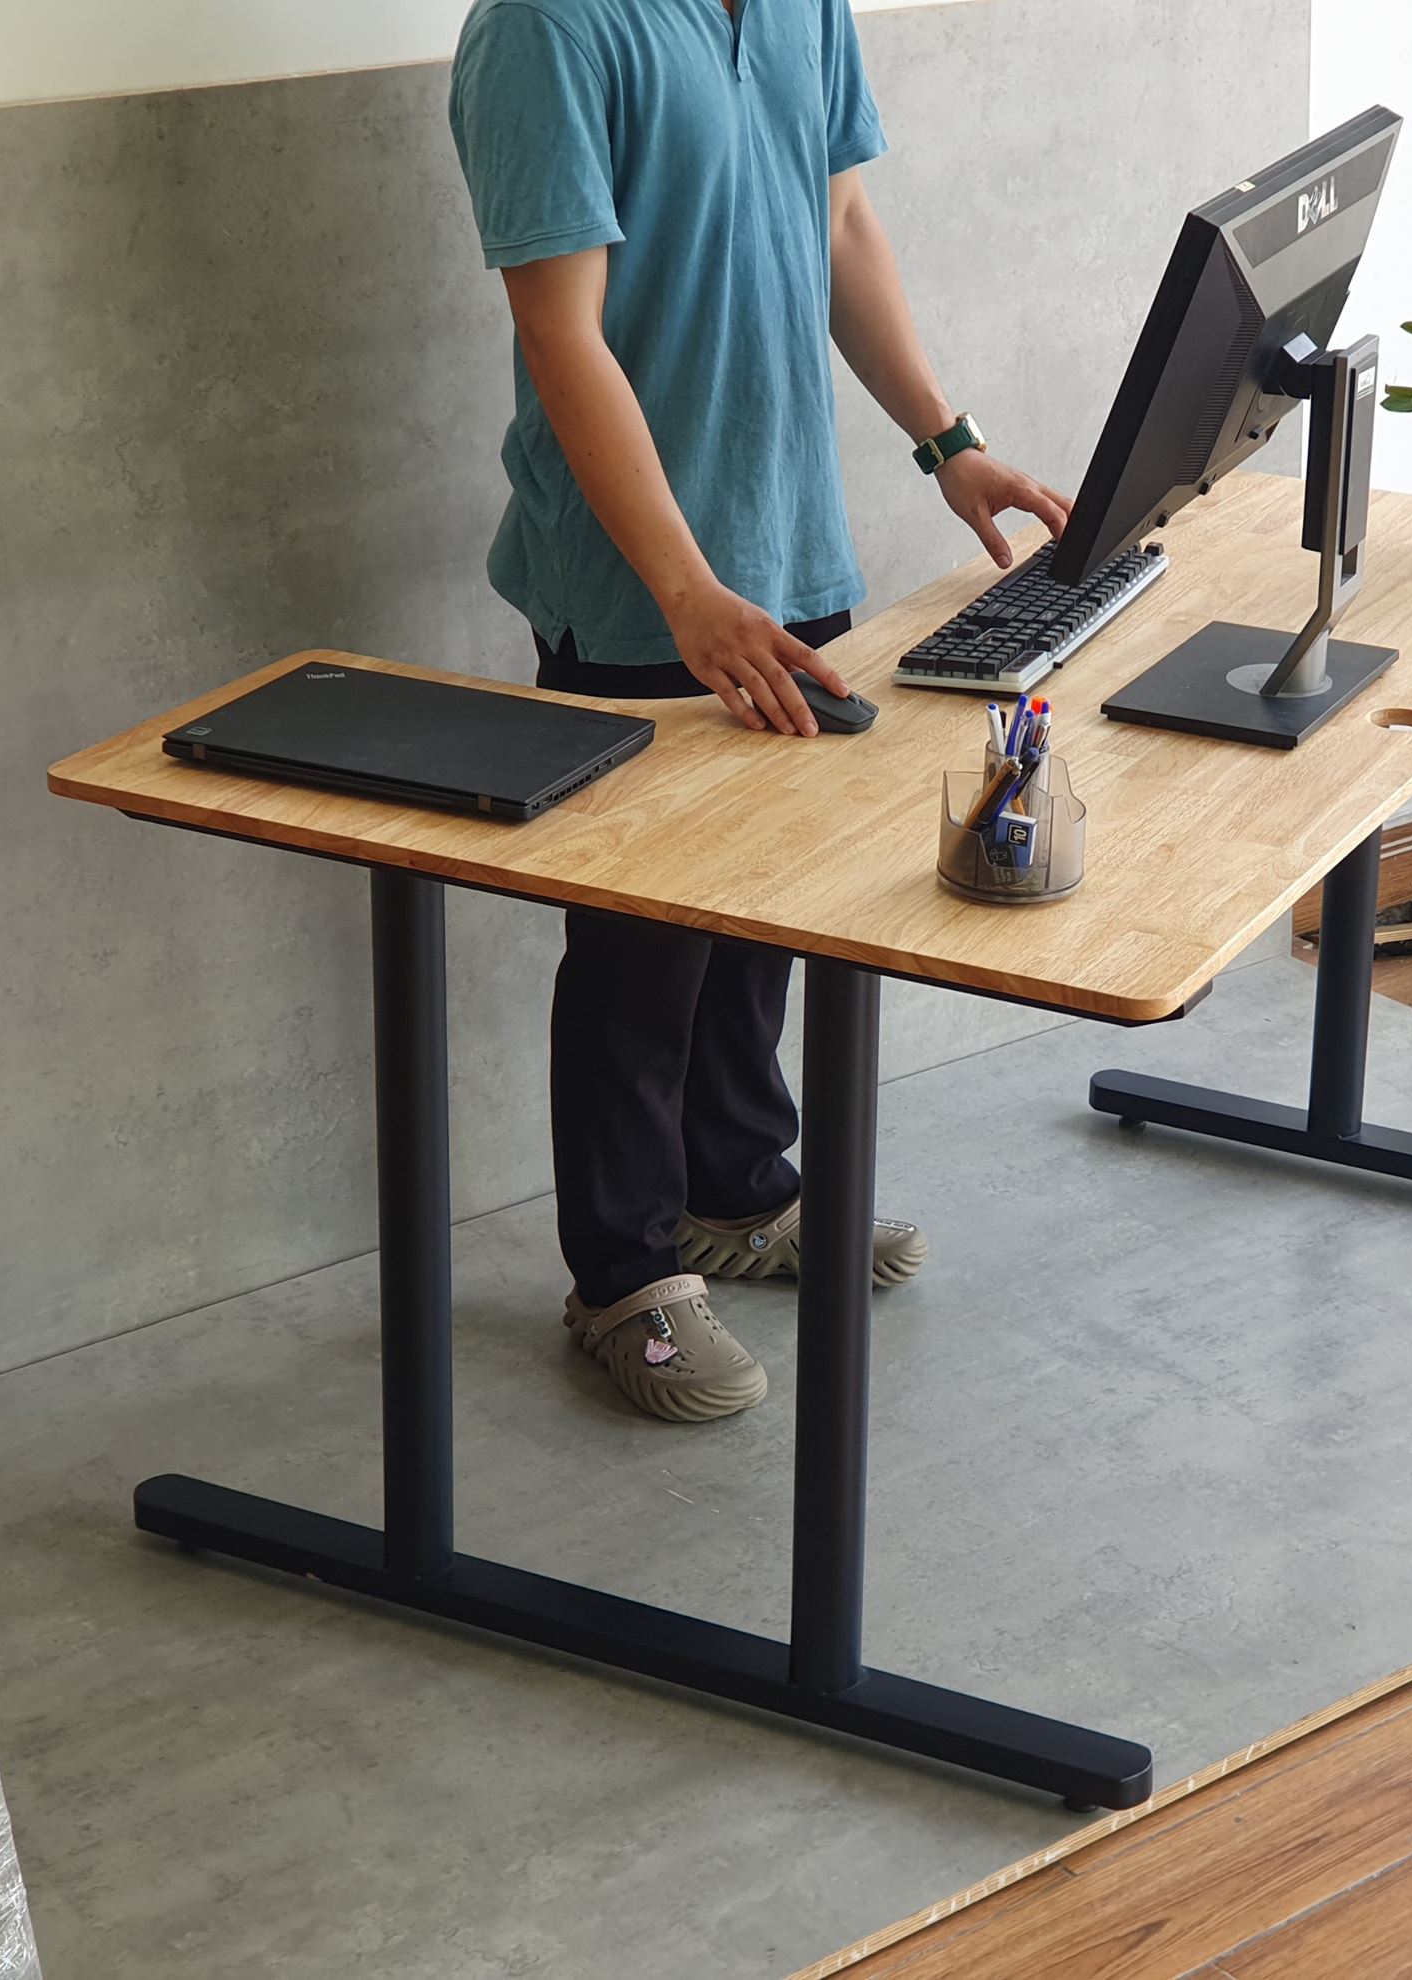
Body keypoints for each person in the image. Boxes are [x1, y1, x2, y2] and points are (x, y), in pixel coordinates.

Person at [449, 0, 1070, 1424]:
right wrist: (683, 590)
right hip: (639, 584)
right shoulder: (545, 28)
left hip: (791, 539)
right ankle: (622, 1276)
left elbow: (837, 221)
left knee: (763, 904)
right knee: (642, 946)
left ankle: (733, 1191)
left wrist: (948, 442)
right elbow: (560, 331)